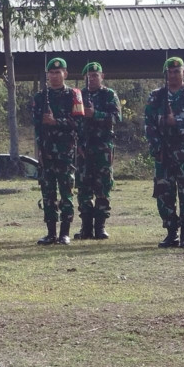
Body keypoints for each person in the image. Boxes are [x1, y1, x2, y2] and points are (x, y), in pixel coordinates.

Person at [144, 57, 184, 249]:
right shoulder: (156, 96)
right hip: (163, 151)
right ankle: (171, 232)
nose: (172, 75)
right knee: (164, 193)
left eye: (176, 71)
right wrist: (156, 146)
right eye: (169, 72)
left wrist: (177, 123)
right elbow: (148, 124)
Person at [32, 57, 84, 245]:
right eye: (51, 73)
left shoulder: (74, 95)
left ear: (65, 74)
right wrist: (39, 149)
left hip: (65, 152)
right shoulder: (40, 97)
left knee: (66, 192)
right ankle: (51, 232)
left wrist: (56, 122)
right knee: (48, 193)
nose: (54, 75)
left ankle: (65, 233)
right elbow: (37, 126)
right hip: (47, 152)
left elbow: (79, 122)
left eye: (58, 72)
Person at [75, 61, 121, 240]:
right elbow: (74, 122)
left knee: (103, 187)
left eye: (95, 75)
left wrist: (96, 114)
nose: (91, 79)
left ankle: (100, 227)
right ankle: (86, 227)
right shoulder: (79, 95)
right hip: (83, 149)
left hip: (103, 148)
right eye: (88, 76)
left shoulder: (109, 95)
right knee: (83, 188)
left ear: (102, 76)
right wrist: (77, 144)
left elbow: (116, 117)